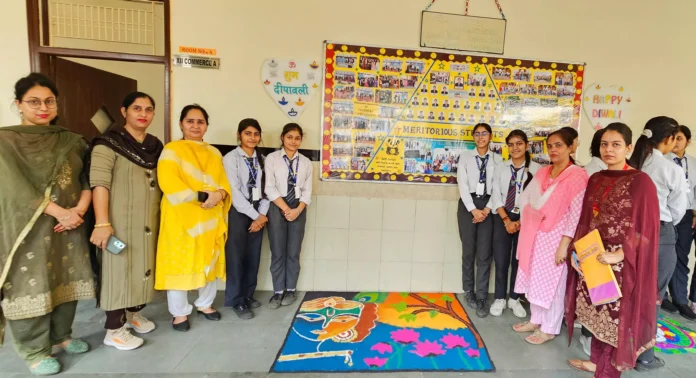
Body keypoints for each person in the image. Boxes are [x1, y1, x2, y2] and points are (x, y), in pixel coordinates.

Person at [0, 73, 95, 375]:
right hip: (29, 227)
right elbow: (14, 187)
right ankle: (34, 350)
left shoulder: (71, 140)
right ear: (18, 104)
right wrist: (59, 212)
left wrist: (78, 210)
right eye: (34, 102)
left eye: (49, 101)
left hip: (69, 225)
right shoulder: (6, 141)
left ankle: (61, 336)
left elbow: (84, 179)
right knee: (32, 283)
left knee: (66, 277)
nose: (43, 108)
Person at [566, 122, 660, 377]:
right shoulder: (596, 178)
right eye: (604, 144)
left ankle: (608, 372)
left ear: (629, 148)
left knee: (615, 321)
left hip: (620, 266)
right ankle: (598, 365)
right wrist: (576, 252)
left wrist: (620, 254)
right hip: (594, 260)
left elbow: (648, 230)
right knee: (599, 320)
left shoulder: (641, 182)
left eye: (616, 145)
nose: (609, 150)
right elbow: (586, 220)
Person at [89, 92, 163, 350]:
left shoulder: (156, 146)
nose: (143, 114)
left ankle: (133, 315)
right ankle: (114, 329)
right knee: (118, 270)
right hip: (117, 222)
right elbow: (99, 183)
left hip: (148, 222)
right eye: (137, 108)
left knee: (142, 267)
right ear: (124, 112)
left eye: (149, 109)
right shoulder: (108, 143)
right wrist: (102, 223)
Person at [155, 104, 232, 332]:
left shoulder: (214, 152)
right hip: (181, 217)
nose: (195, 126)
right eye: (190, 121)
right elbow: (168, 181)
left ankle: (205, 304)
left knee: (208, 260)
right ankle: (179, 313)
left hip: (210, 216)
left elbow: (223, 182)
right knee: (180, 263)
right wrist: (200, 196)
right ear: (181, 124)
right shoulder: (172, 150)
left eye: (200, 122)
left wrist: (219, 194)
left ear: (206, 126)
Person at [512, 128, 588, 345]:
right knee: (535, 279)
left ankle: (550, 328)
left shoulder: (577, 176)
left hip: (558, 237)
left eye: (559, 145)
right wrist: (534, 213)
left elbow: (575, 214)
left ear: (571, 146)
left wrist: (565, 244)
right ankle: (536, 319)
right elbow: (525, 198)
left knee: (553, 283)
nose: (553, 150)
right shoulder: (544, 172)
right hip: (536, 234)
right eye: (550, 146)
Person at [628, 116, 687, 371]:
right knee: (653, 296)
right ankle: (645, 357)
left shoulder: (632, 162)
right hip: (659, 235)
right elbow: (678, 211)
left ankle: (619, 347)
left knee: (629, 291)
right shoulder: (670, 168)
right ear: (670, 139)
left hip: (629, 234)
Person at [489, 130, 541, 318]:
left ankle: (515, 297)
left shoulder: (537, 170)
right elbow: (496, 197)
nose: (515, 148)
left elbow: (538, 200)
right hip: (503, 218)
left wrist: (520, 221)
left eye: (519, 143)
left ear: (526, 145)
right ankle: (500, 298)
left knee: (519, 261)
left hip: (526, 220)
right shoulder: (501, 168)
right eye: (511, 144)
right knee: (501, 260)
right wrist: (507, 220)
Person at [222, 119, 270, 320]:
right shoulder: (231, 158)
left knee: (253, 256)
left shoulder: (263, 159)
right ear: (239, 135)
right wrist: (255, 216)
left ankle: (248, 295)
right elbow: (235, 191)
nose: (252, 138)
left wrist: (262, 216)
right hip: (239, 212)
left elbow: (268, 187)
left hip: (259, 211)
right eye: (248, 133)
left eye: (256, 134)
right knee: (236, 258)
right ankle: (237, 300)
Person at [457, 123, 503, 318]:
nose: (481, 137)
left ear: (490, 136)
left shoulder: (498, 160)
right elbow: (462, 183)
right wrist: (473, 209)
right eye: (477, 134)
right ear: (473, 137)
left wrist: (486, 209)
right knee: (469, 251)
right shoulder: (465, 158)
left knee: (484, 254)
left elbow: (498, 187)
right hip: (469, 206)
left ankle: (482, 296)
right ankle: (469, 291)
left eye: (484, 133)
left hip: (489, 206)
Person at [265, 123, 313, 309]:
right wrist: (286, 209)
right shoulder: (272, 159)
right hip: (278, 205)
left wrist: (297, 210)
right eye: (289, 137)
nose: (293, 141)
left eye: (297, 138)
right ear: (282, 138)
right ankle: (278, 292)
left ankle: (290, 290)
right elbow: (269, 187)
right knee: (278, 251)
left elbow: (308, 191)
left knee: (293, 252)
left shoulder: (306, 162)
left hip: (299, 208)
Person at [663, 125, 696, 320]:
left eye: (680, 138)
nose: (676, 142)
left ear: (688, 142)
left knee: (681, 256)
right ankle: (661, 296)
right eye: (673, 138)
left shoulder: (693, 163)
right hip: (665, 213)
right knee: (662, 256)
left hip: (685, 215)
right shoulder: (662, 161)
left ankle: (680, 299)